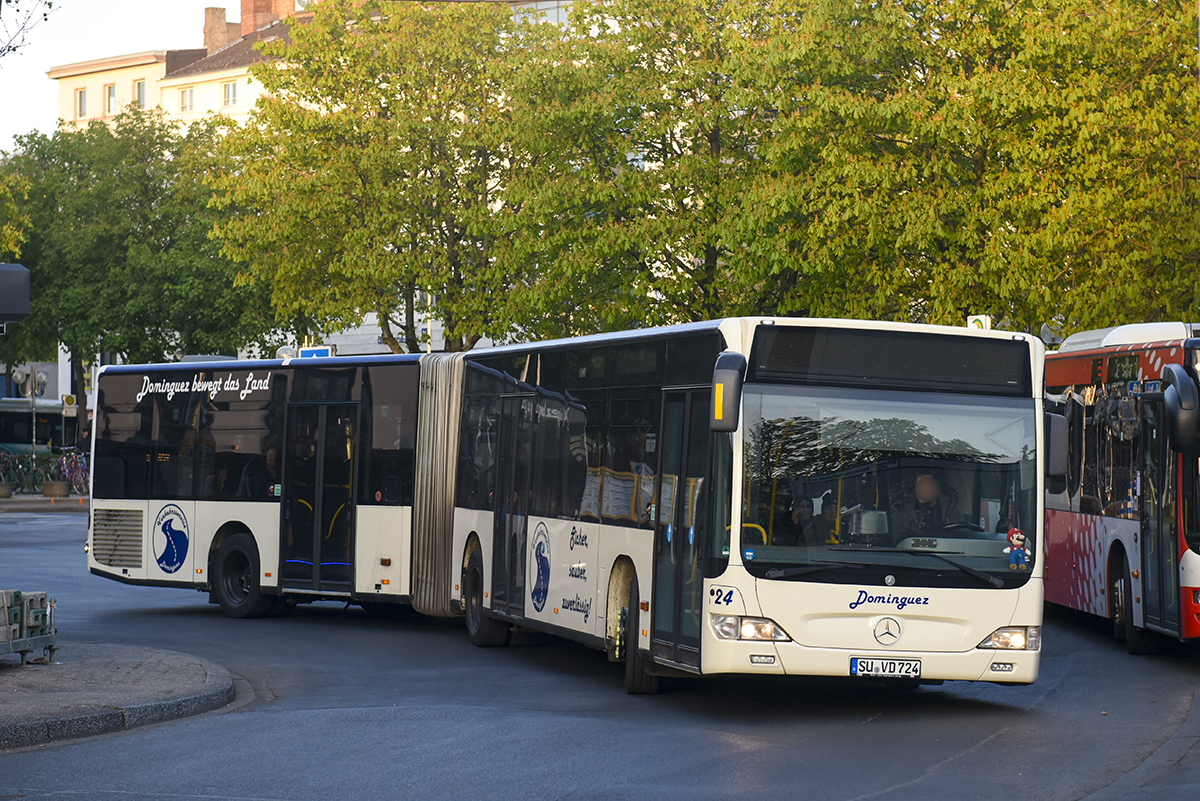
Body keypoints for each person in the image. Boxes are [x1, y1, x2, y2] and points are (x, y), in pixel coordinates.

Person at [892, 472, 961, 534]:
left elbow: (959, 533)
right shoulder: (903, 513)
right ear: (916, 487)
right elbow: (898, 541)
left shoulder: (950, 507)